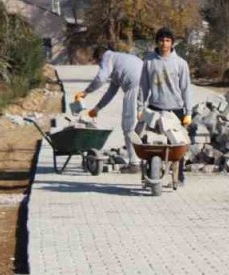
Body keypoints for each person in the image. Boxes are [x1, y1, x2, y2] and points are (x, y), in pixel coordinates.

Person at [75, 45, 144, 170]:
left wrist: (86, 92)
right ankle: (143, 157)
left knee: (128, 127)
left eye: (98, 64)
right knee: (140, 122)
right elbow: (111, 92)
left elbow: (101, 78)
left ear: (98, 58)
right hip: (147, 85)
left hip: (134, 85)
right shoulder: (119, 62)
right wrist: (97, 108)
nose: (100, 67)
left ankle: (134, 164)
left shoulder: (107, 57)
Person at [140, 27, 193, 181]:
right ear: (157, 42)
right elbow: (143, 86)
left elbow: (186, 88)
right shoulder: (149, 61)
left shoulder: (180, 63)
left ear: (172, 43)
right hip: (155, 109)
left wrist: (188, 112)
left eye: (168, 40)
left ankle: (179, 175)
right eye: (162, 40)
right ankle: (152, 172)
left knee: (177, 144)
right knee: (151, 144)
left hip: (175, 110)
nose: (164, 43)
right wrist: (139, 107)